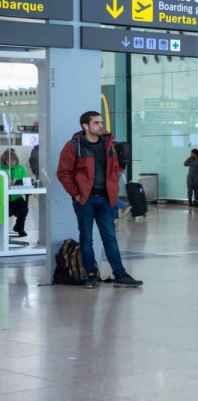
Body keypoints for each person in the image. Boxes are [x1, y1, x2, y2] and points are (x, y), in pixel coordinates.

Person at [56, 111, 142, 288]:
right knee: (86, 238)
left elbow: (114, 168)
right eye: (96, 123)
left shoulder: (107, 144)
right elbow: (63, 173)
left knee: (110, 238)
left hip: (105, 199)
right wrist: (77, 194)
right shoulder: (74, 146)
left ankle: (120, 274)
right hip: (85, 200)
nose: (100, 126)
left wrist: (114, 187)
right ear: (85, 126)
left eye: (101, 122)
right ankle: (91, 275)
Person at [1, 149, 29, 237]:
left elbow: (26, 182)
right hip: (3, 198)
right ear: (4, 161)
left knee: (24, 209)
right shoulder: (1, 170)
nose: (11, 162)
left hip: (16, 197)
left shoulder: (21, 168)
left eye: (13, 160)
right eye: (8, 160)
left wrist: (17, 182)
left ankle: (19, 228)